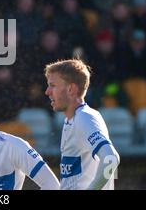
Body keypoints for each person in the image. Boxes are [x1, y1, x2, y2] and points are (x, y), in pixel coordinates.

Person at [44, 59, 120, 190]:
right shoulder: (72, 119)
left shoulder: (84, 117)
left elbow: (111, 159)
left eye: (53, 85)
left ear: (71, 89)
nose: (47, 92)